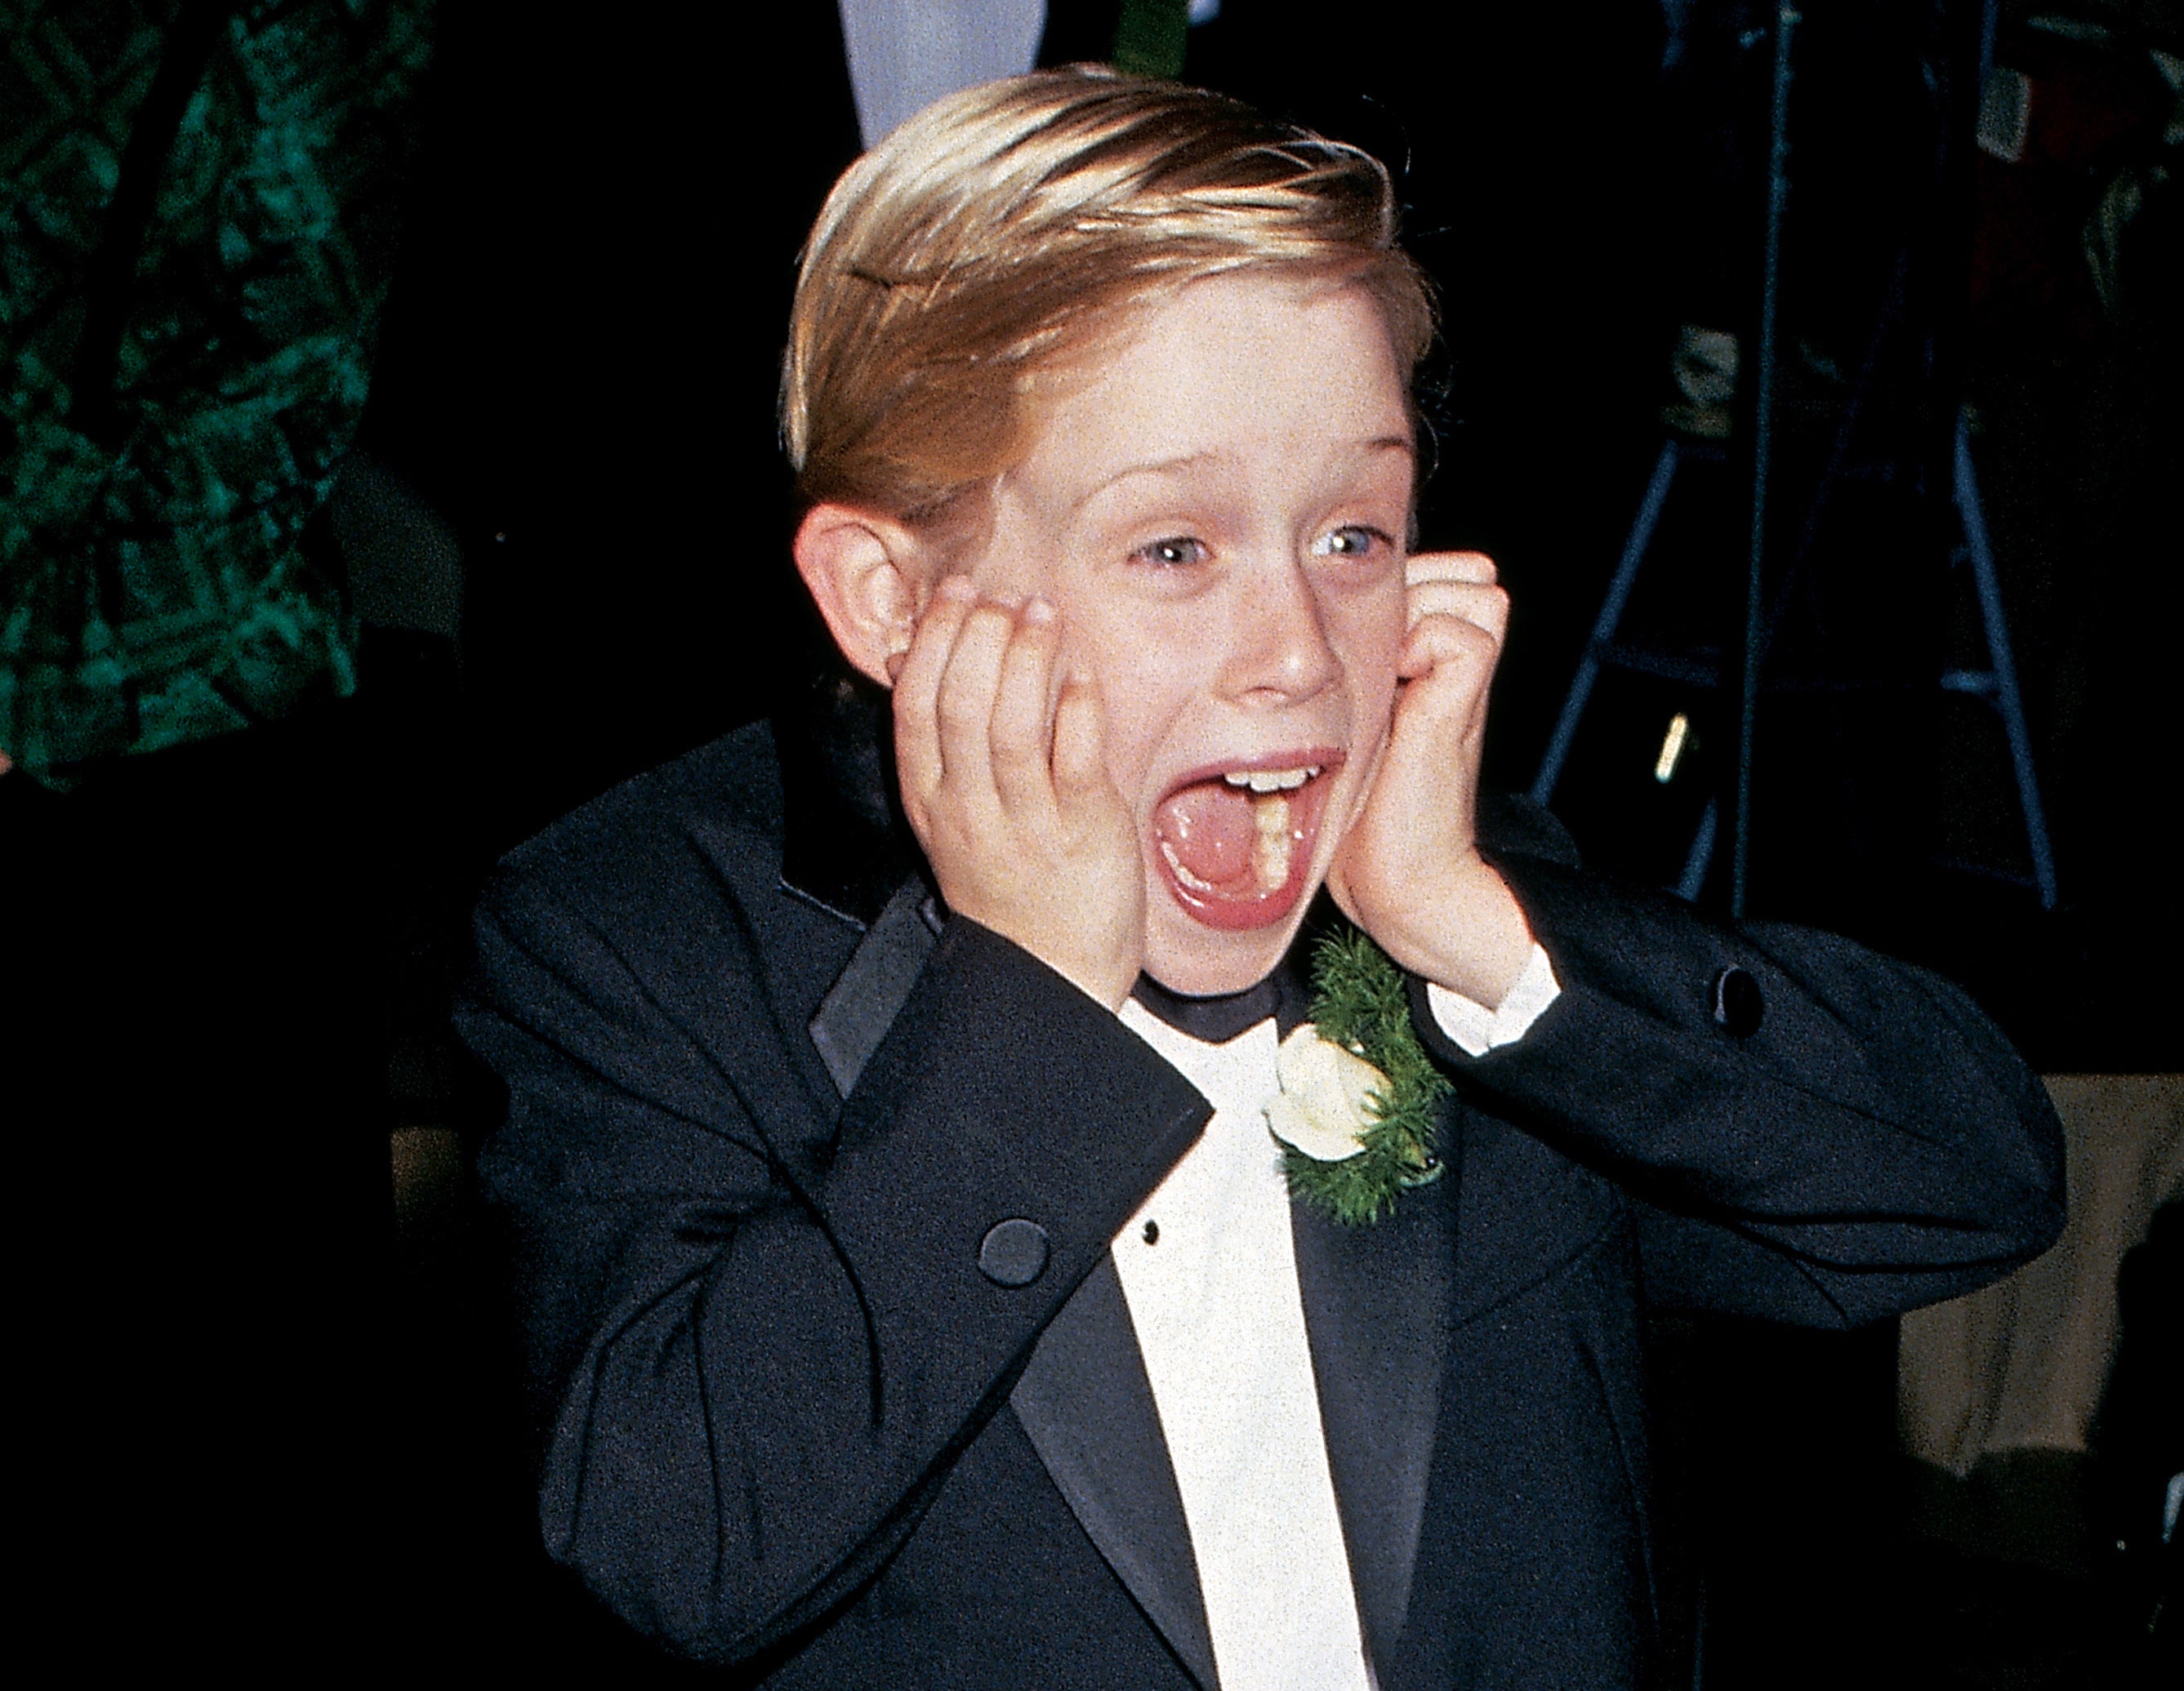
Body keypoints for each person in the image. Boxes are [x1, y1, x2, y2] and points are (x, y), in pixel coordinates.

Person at [455, 69, 2065, 1689]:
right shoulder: (642, 940)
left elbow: (1965, 1187)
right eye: (1175, 549)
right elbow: (676, 1545)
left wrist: (1474, 930)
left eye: (1352, 535)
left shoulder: (1459, 914)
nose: (1297, 656)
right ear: (886, 595)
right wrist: (1026, 1007)